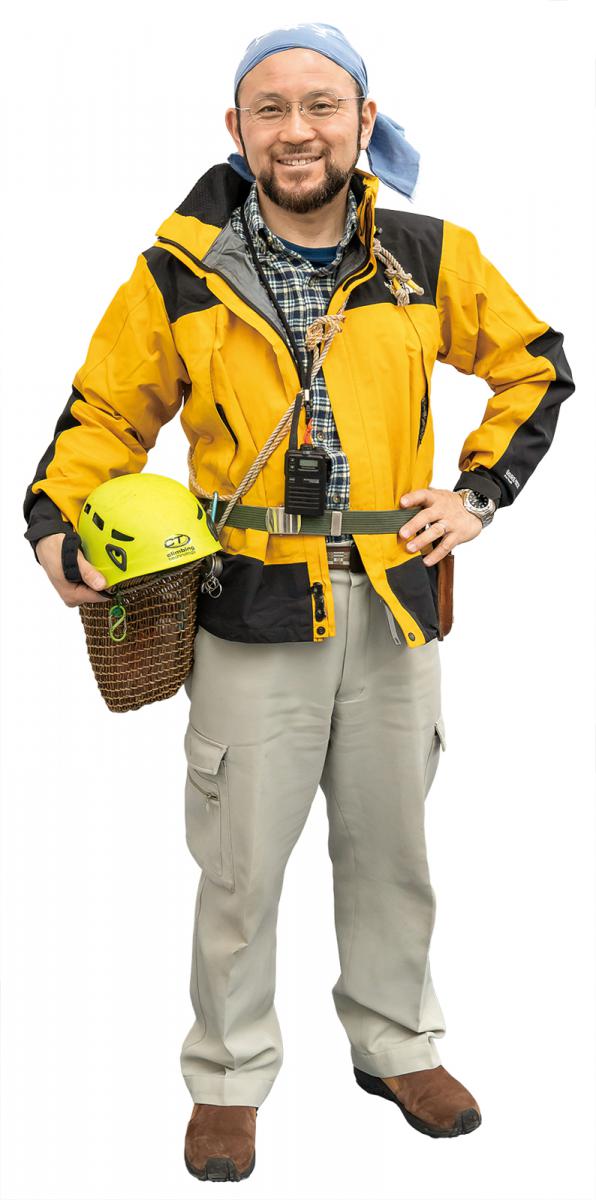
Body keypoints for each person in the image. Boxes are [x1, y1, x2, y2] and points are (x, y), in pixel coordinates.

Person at [23, 22, 574, 1184]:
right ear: (236, 128)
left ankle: (396, 1043)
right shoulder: (179, 271)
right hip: (248, 608)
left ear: (362, 121)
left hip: (394, 602)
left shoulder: (425, 254)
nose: (297, 130)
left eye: (322, 105)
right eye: (269, 109)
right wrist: (52, 520)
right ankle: (226, 1078)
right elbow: (104, 413)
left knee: (392, 850)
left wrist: (477, 493)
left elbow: (534, 364)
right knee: (238, 865)